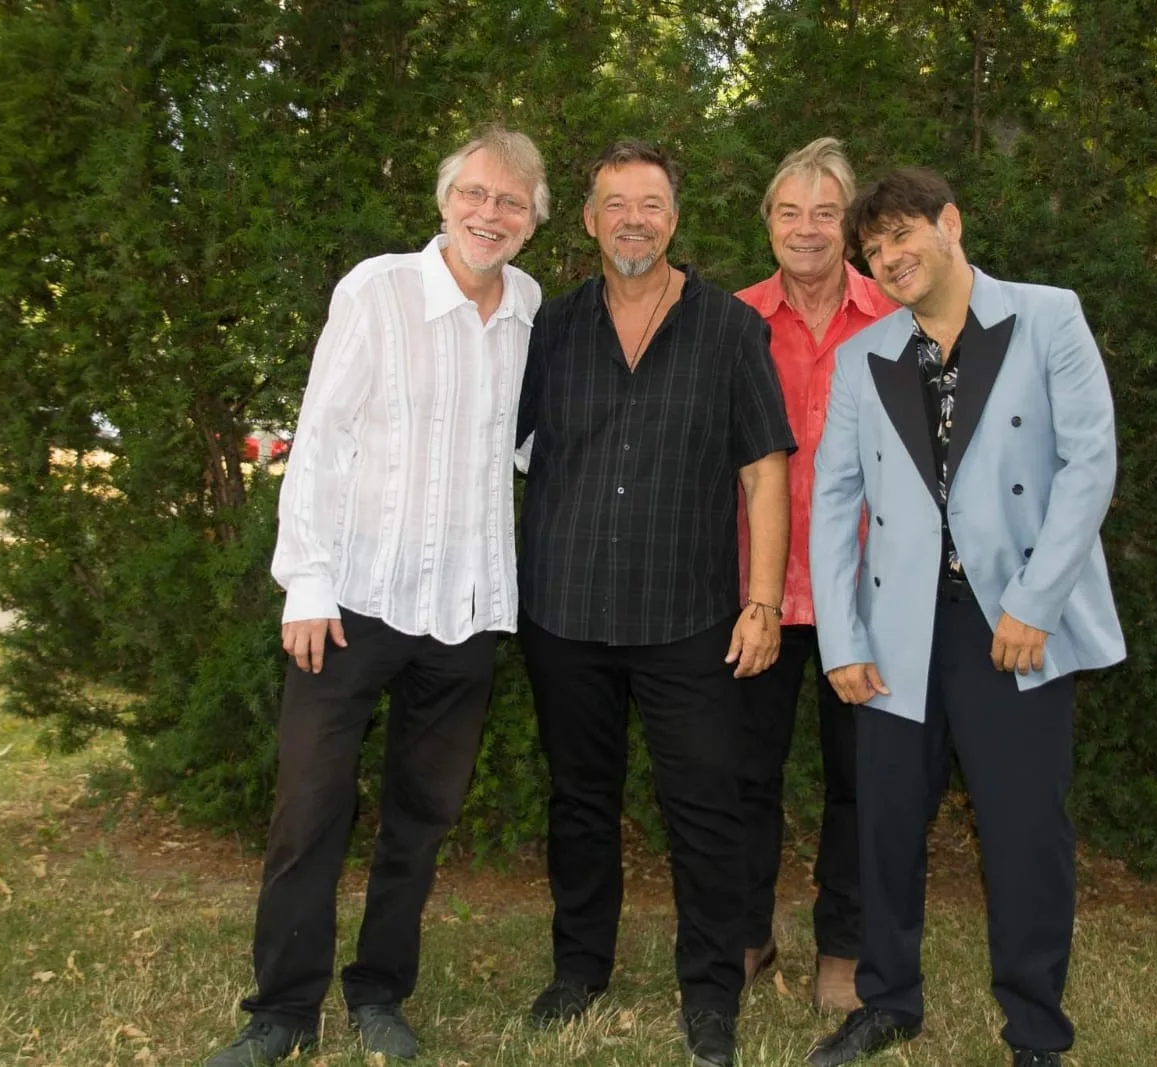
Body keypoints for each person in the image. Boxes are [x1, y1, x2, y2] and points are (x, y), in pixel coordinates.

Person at [204, 127, 549, 1067]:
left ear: (533, 222)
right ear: (446, 200)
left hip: (466, 610)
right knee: (309, 810)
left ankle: (380, 990)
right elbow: (319, 437)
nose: (490, 213)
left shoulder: (528, 307)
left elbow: (527, 445)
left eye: (511, 202)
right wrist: (306, 582)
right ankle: (280, 1009)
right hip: (352, 603)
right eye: (475, 193)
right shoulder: (377, 289)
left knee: (421, 820)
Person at [804, 167, 1126, 1067]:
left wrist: (1034, 603)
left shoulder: (1047, 316)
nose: (891, 257)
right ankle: (888, 1000)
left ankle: (1035, 1031)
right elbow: (834, 504)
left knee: (1026, 832)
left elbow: (1089, 465)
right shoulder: (864, 355)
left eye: (903, 236)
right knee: (887, 824)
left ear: (950, 223)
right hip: (899, 628)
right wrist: (843, 637)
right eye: (875, 249)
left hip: (1012, 619)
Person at [515, 139, 795, 1067]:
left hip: (690, 616)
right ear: (589, 219)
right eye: (614, 203)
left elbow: (764, 472)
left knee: (706, 810)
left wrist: (761, 604)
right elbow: (495, 449)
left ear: (675, 218)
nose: (633, 219)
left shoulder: (728, 328)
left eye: (652, 204)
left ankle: (711, 993)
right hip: (566, 608)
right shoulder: (547, 330)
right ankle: (578, 971)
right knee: (579, 803)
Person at [732, 137, 897, 1014]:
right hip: (754, 592)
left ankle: (846, 944)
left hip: (866, 595)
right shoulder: (729, 320)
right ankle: (747, 934)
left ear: (850, 225)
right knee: (743, 773)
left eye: (825, 213)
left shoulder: (895, 316)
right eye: (789, 212)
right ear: (768, 224)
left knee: (860, 778)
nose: (807, 229)